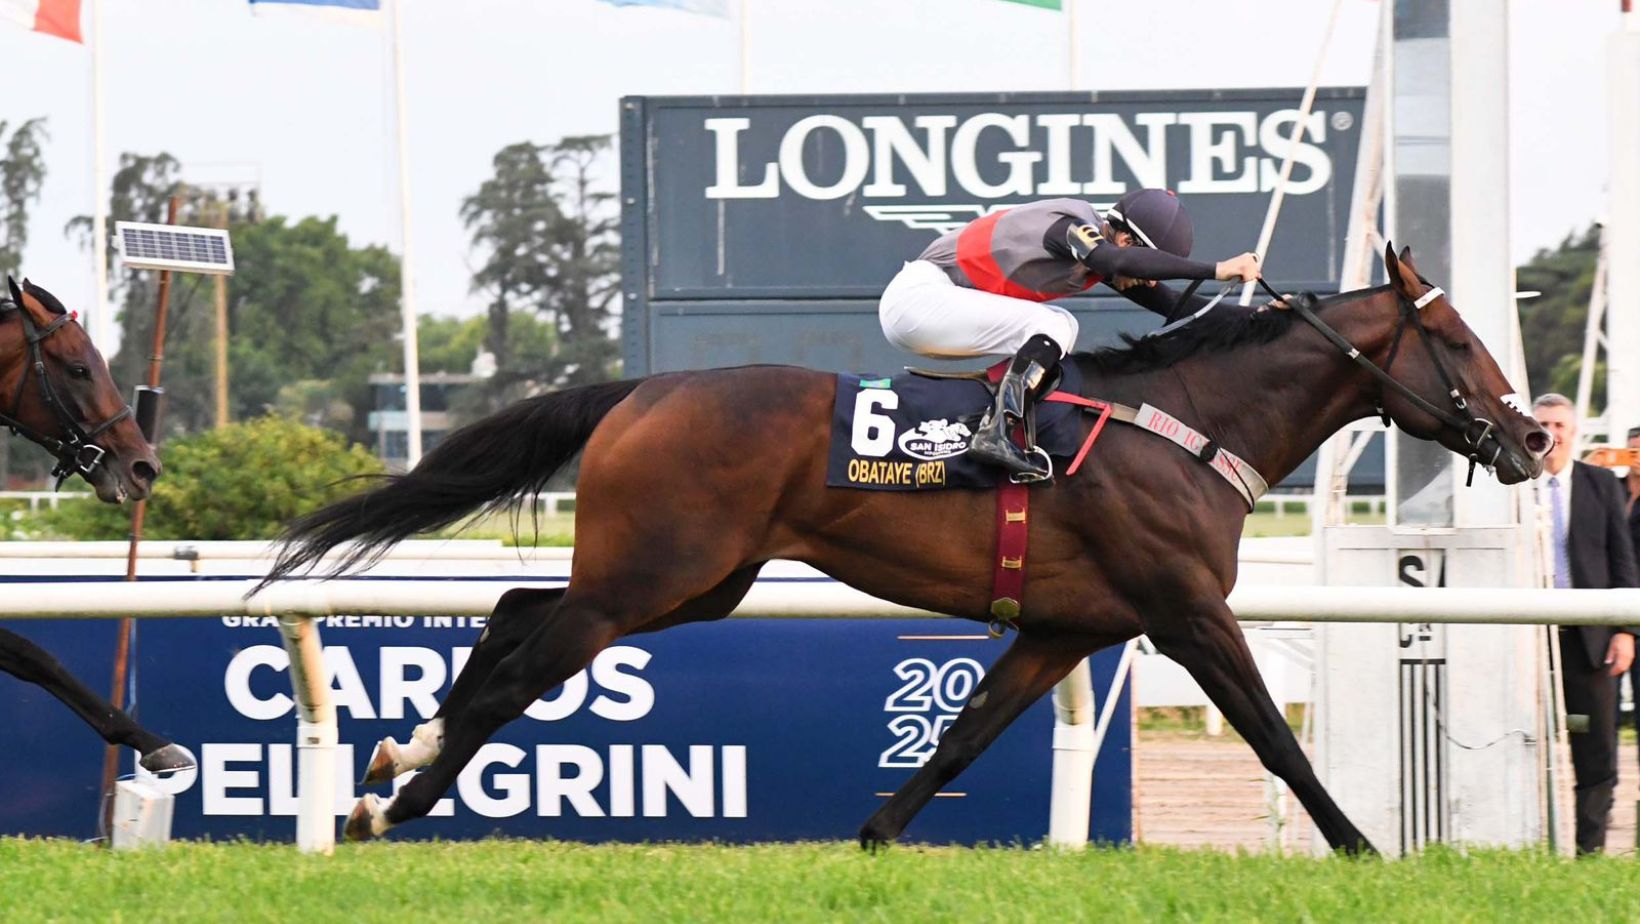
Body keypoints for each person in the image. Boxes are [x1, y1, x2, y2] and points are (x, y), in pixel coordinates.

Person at [877, 189, 1262, 482]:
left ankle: (994, 420)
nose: (1149, 279)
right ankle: (997, 431)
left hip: (933, 305)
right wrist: (1217, 268)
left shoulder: (1103, 252)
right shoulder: (1072, 227)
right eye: (1151, 266)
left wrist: (1259, 317)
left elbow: (1173, 305)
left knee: (1050, 326)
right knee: (1057, 324)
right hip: (919, 298)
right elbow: (1113, 261)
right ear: (1127, 240)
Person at [1532, 393, 1639, 855]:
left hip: (1591, 638)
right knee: (1524, 740)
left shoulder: (1601, 486)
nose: (1552, 434)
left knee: (1596, 749)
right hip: (1528, 639)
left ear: (1573, 432)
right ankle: (1527, 848)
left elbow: (1623, 561)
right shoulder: (1514, 485)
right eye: (1543, 424)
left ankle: (1589, 852)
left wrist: (1624, 630)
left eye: (1559, 424)